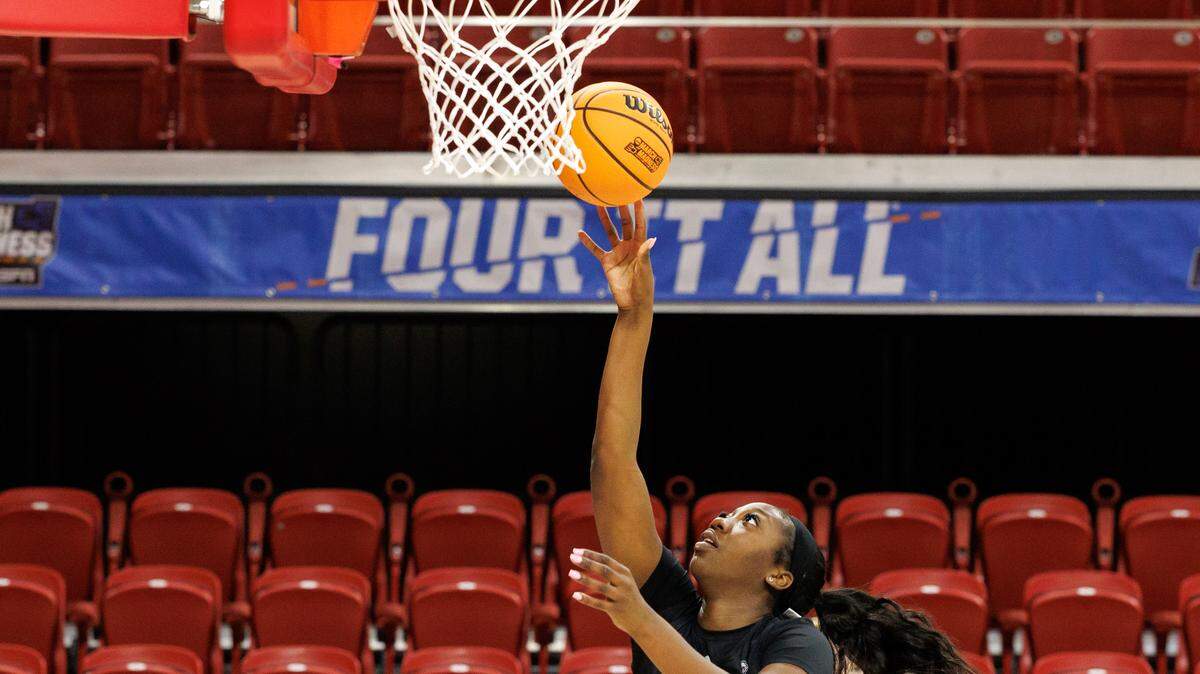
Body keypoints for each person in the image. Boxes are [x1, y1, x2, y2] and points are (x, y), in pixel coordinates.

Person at [568, 201, 974, 674]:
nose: (721, 520)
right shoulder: (669, 605)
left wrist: (640, 620)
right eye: (732, 515)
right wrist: (635, 316)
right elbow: (611, 460)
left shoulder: (798, 641)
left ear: (778, 576)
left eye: (749, 522)